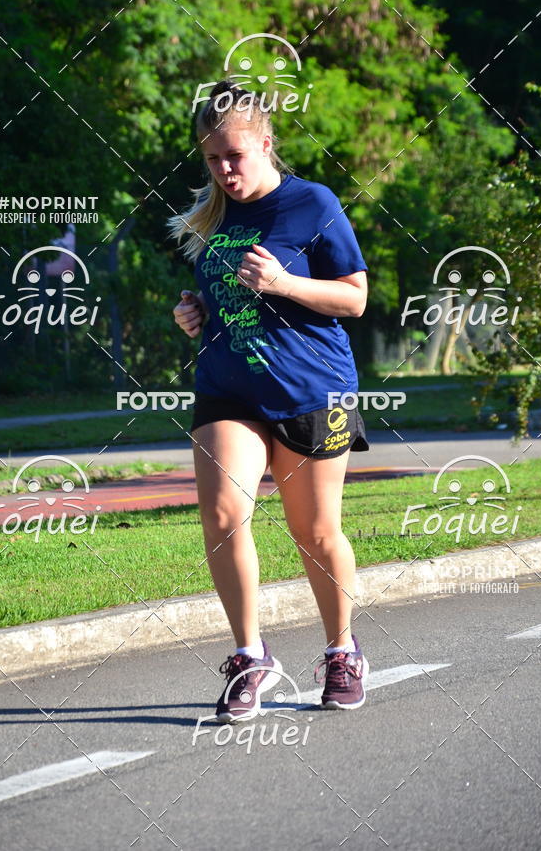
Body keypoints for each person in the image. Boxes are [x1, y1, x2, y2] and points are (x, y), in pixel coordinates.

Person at [169, 80, 369, 722]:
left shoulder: (313, 204)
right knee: (224, 513)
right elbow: (221, 297)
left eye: (234, 156)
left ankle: (342, 652)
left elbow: (355, 298)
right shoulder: (212, 217)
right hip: (229, 388)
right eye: (212, 159)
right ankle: (250, 656)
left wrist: (284, 283)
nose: (224, 171)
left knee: (315, 533)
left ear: (264, 143)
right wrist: (194, 312)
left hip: (312, 387)